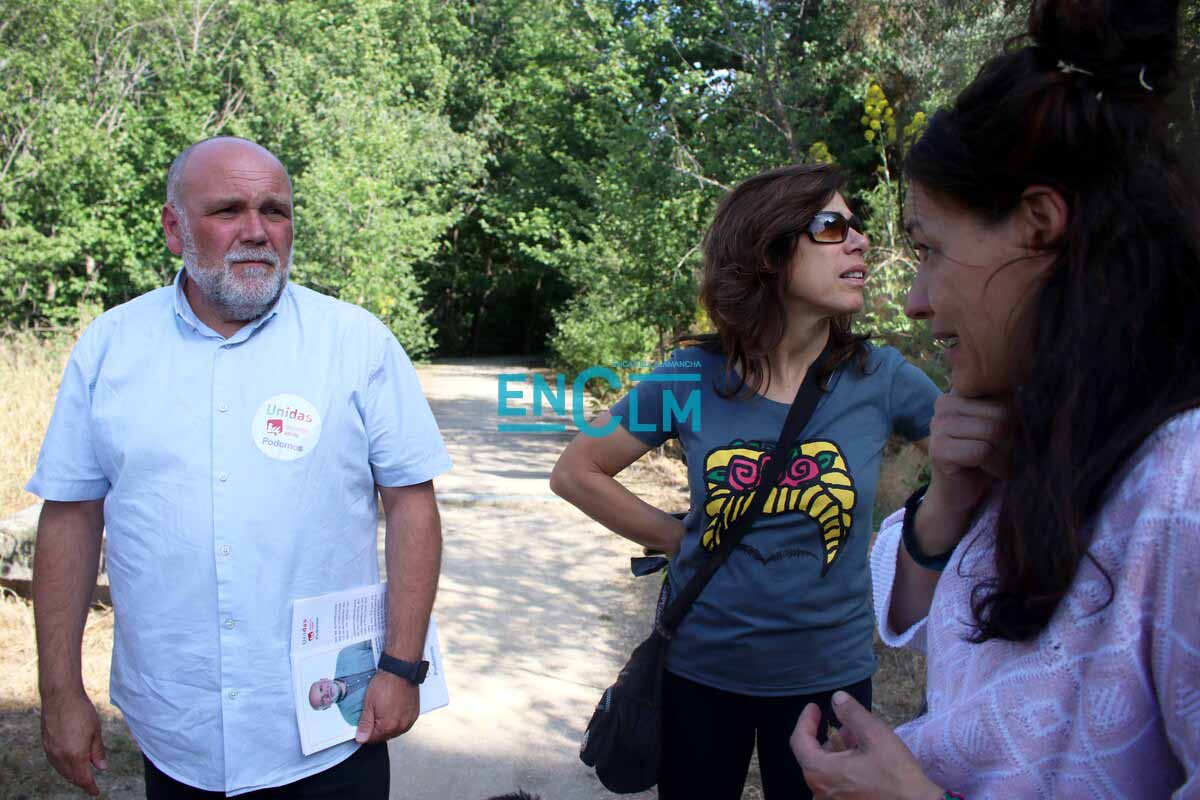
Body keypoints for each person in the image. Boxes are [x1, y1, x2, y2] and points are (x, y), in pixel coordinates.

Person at [789, 1, 1200, 797]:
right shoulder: (1037, 436)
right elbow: (929, 629)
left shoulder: (1183, 488)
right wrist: (947, 501)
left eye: (930, 249)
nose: (913, 300)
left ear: (1040, 222)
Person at [28, 137, 453, 799]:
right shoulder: (110, 348)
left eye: (274, 211)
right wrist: (59, 693)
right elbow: (70, 517)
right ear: (175, 228)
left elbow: (412, 506)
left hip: (330, 729)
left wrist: (402, 667)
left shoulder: (356, 343)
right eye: (228, 210)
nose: (257, 230)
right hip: (178, 730)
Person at [551, 163, 941, 800]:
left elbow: (980, 468)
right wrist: (678, 538)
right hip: (701, 672)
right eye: (832, 226)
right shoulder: (692, 377)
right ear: (769, 251)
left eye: (857, 226)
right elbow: (577, 471)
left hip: (829, 681)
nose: (860, 241)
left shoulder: (881, 377)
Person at [309, 641, 378, 726]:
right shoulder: (351, 716)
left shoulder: (345, 655)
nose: (325, 693)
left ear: (324, 679)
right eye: (323, 701)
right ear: (327, 707)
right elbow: (380, 718)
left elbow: (372, 640)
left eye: (321, 689)